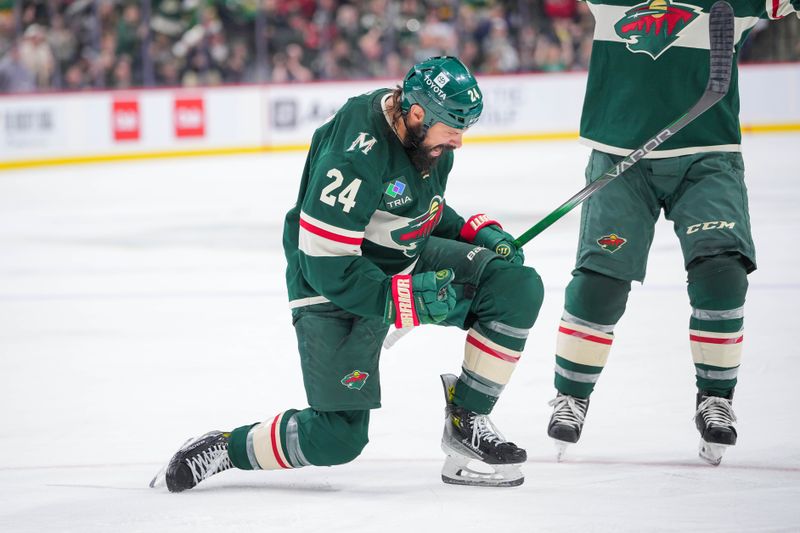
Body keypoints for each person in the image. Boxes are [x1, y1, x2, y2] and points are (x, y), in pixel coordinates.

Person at [154, 56, 544, 491]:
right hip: (330, 281)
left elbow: (417, 207)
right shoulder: (357, 151)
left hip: (397, 262)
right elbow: (325, 260)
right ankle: (227, 448)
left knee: (515, 287)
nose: (458, 140)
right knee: (337, 438)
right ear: (417, 113)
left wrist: (475, 232)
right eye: (453, 127)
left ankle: (466, 418)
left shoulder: (428, 140)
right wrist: (403, 300)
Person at [545, 0, 799, 466]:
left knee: (722, 271)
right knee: (600, 281)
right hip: (621, 159)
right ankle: (571, 396)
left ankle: (715, 398)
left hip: (708, 156)